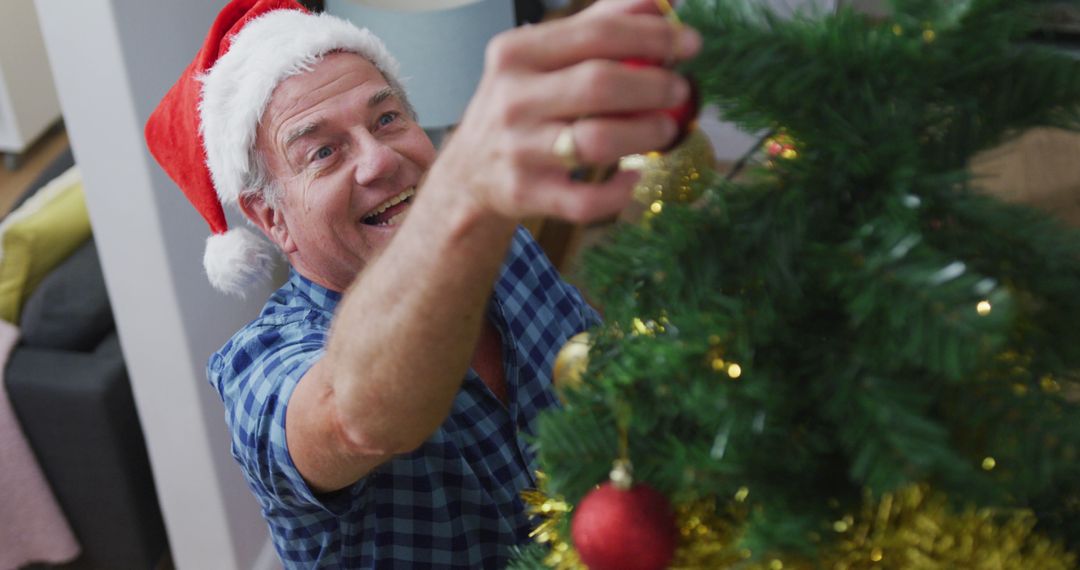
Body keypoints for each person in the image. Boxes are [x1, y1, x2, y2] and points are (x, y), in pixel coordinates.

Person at [144, 0, 699, 566]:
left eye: (386, 119)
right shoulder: (256, 367)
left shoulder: (504, 248)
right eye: (324, 152)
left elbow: (611, 386)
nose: (379, 160)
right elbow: (355, 418)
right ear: (271, 219)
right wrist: (463, 188)